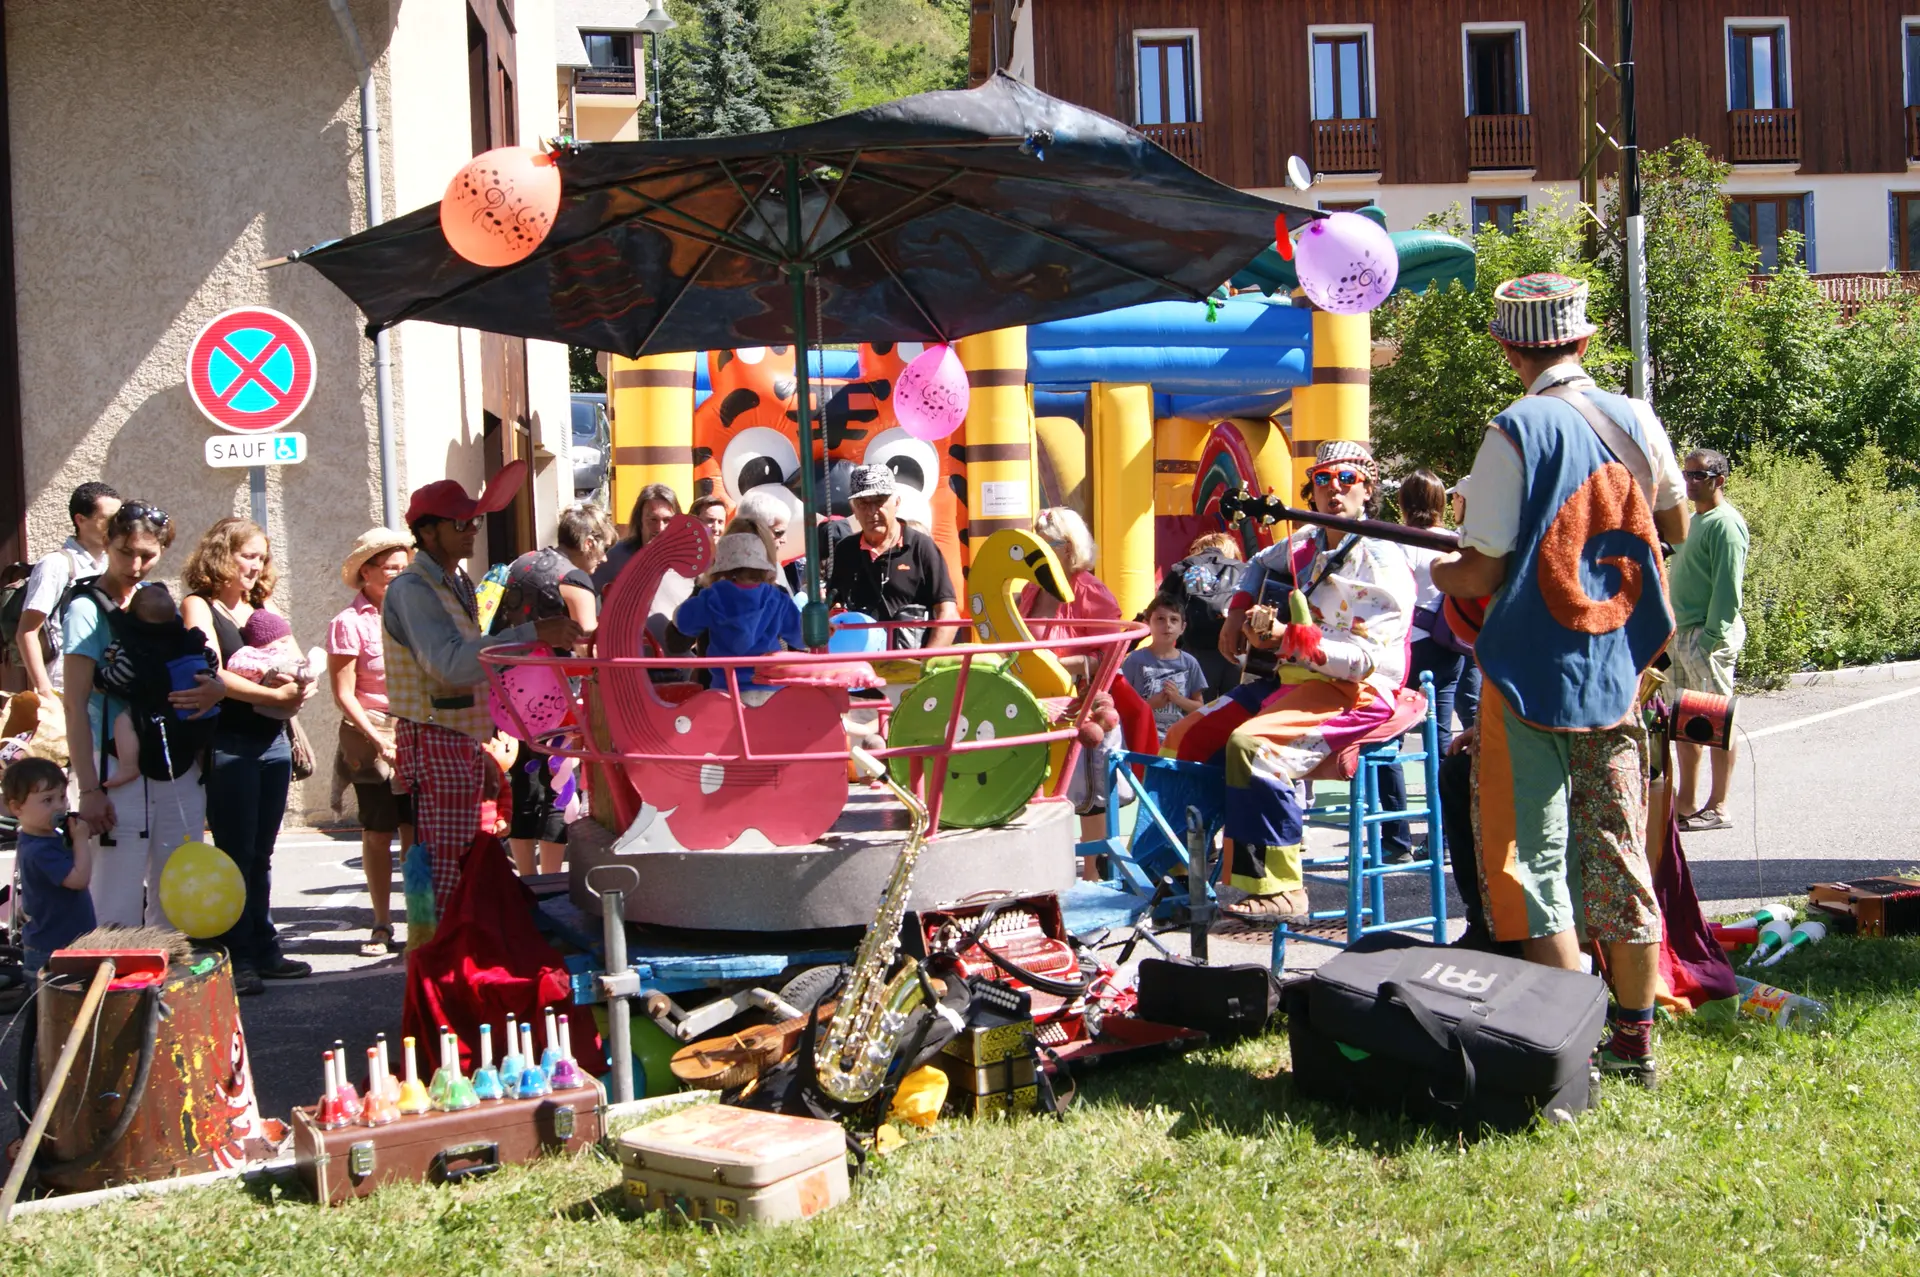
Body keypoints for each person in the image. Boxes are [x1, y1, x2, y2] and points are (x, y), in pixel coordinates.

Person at [1430, 272, 1689, 1087]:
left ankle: (1566, 1036)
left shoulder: (1514, 429)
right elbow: (1673, 522)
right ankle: (1635, 1041)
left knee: (1529, 861)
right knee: (1617, 855)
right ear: (1582, 340)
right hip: (1616, 668)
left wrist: (1439, 564)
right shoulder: (1634, 417)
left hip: (1527, 675)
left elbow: (1479, 574)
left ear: (1512, 348)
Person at [1163, 440, 1416, 921]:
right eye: (1323, 480)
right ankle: (1184, 874)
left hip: (1356, 691)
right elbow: (1259, 563)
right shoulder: (1305, 543)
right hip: (1292, 679)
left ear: (1369, 489)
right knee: (1185, 736)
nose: (1333, 490)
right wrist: (1236, 613)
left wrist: (1290, 637)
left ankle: (1281, 888)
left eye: (1347, 480)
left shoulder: (1382, 560)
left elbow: (1367, 661)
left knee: (1255, 746)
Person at [383, 462, 584, 913]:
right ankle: (446, 960)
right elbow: (451, 666)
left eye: (473, 520)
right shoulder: (413, 588)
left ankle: (456, 956)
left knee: (467, 860)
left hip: (461, 739)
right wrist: (532, 634)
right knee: (450, 868)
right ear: (428, 532)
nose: (472, 529)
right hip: (434, 738)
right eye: (461, 523)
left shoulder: (453, 581)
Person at [63, 502, 224, 932]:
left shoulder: (159, 603)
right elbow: (74, 705)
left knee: (178, 889)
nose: (135, 565)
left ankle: (167, 987)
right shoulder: (86, 609)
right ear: (107, 543)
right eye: (125, 551)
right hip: (114, 766)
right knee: (114, 897)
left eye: (148, 555)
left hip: (174, 764)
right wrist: (89, 789)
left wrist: (218, 687)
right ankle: (114, 990)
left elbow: (200, 662)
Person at [183, 517, 318, 994]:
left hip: (272, 742)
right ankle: (234, 955)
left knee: (261, 853)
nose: (255, 566)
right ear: (221, 555)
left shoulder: (262, 607)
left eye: (261, 557)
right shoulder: (198, 606)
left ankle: (265, 948)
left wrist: (301, 684)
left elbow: (295, 658)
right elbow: (210, 673)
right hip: (229, 742)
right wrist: (273, 699)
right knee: (235, 853)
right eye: (247, 555)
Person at [489, 502, 613, 875]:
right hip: (555, 698)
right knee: (560, 787)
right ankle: (552, 881)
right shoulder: (574, 578)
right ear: (589, 542)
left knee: (525, 784)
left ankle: (526, 880)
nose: (604, 558)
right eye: (603, 547)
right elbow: (587, 645)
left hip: (508, 692)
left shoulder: (521, 564)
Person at [327, 527, 415, 957]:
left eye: (405, 566)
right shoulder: (348, 623)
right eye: (392, 567)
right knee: (378, 832)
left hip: (414, 728)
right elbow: (344, 693)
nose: (400, 574)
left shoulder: (414, 612)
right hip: (371, 731)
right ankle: (381, 923)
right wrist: (377, 739)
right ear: (367, 571)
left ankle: (418, 919)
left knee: (416, 831)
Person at [1669, 448, 1749, 832]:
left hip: (1708, 635)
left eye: (1698, 475)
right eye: (1686, 474)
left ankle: (1718, 805)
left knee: (1719, 722)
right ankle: (1686, 803)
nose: (1689, 481)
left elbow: (1728, 590)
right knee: (1686, 724)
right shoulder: (1690, 520)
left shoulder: (1725, 524)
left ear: (1720, 479)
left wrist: (1711, 639)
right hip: (1681, 632)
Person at [825, 465, 959, 650]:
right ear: (853, 508)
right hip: (857, 666)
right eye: (863, 503)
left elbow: (948, 614)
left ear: (896, 502)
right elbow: (833, 606)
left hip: (909, 665)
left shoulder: (922, 547)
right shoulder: (845, 550)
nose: (872, 511)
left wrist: (928, 663)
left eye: (879, 501)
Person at [13, 482, 120, 701]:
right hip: (65, 688)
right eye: (108, 520)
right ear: (80, 520)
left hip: (105, 687)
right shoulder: (56, 564)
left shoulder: (113, 563)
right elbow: (27, 631)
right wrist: (45, 693)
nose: (115, 527)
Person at [674, 532, 804, 688]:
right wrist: (823, 629)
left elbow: (684, 622)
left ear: (723, 568)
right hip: (770, 690)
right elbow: (801, 637)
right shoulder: (777, 598)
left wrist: (677, 614)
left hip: (725, 689)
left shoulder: (713, 596)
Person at [6, 756, 95, 978]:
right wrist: (81, 841)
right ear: (17, 808)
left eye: (62, 797)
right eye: (47, 800)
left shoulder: (45, 837)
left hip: (68, 941)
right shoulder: (40, 850)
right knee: (52, 1006)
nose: (59, 806)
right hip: (53, 947)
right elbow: (78, 879)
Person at [1021, 507, 1120, 677]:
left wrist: (1058, 665)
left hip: (1076, 697)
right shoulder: (1032, 587)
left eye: (1042, 548)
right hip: (1030, 690)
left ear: (1067, 549)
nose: (1034, 555)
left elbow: (1111, 656)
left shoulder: (1092, 592)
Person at [1160, 531, 1246, 698]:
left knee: (1198, 713)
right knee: (1240, 709)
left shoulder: (1185, 567)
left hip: (1197, 652)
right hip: (1238, 650)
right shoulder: (1243, 570)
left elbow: (1161, 608)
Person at [1122, 594, 1209, 738]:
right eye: (1160, 619)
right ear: (1148, 624)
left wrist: (1178, 699)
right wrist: (1149, 705)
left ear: (1183, 627)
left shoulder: (1190, 663)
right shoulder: (1135, 660)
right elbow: (1122, 707)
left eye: (1174, 620)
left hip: (1177, 740)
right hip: (1141, 738)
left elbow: (1200, 708)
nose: (1167, 625)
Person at [222, 609, 322, 718]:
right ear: (265, 641)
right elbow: (235, 665)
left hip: (284, 709)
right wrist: (259, 668)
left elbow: (293, 659)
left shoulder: (281, 654)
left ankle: (307, 674)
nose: (286, 646)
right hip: (265, 687)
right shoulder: (251, 653)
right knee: (280, 669)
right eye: (283, 642)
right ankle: (306, 672)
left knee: (291, 665)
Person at [592, 482, 681, 593]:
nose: (660, 528)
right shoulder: (618, 557)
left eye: (667, 520)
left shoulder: (688, 559)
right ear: (639, 520)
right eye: (653, 520)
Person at [1448, 476, 1483, 732]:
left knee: (1469, 702)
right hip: (1470, 633)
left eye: (1454, 499)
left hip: (1474, 633)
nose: (1451, 504)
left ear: (1461, 500)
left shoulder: (1470, 540)